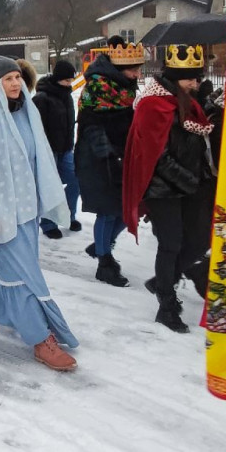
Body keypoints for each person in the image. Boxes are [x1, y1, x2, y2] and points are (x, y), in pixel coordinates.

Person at [0, 56, 79, 371]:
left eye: (18, 77)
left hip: (27, 212)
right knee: (24, 277)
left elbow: (40, 159)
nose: (15, 83)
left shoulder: (28, 114)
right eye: (7, 79)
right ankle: (40, 338)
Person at [123, 44, 216, 333]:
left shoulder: (185, 101)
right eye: (191, 78)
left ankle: (164, 279)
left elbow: (197, 141)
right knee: (171, 243)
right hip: (162, 188)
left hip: (188, 186)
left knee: (199, 239)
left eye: (198, 78)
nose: (196, 83)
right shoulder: (154, 105)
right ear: (176, 76)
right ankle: (166, 304)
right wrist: (188, 181)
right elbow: (157, 156)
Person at [74, 36, 144, 287]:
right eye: (133, 70)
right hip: (98, 160)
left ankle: (101, 245)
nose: (137, 75)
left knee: (126, 212)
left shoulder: (122, 88)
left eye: (138, 69)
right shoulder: (98, 88)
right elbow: (91, 126)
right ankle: (104, 262)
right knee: (109, 211)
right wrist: (111, 155)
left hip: (121, 156)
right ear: (119, 69)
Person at [33, 59, 82, 240]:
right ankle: (48, 223)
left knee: (76, 179)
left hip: (66, 148)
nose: (70, 84)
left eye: (71, 80)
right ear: (58, 78)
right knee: (50, 187)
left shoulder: (67, 96)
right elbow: (38, 127)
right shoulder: (42, 98)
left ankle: (68, 215)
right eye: (67, 80)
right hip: (49, 151)